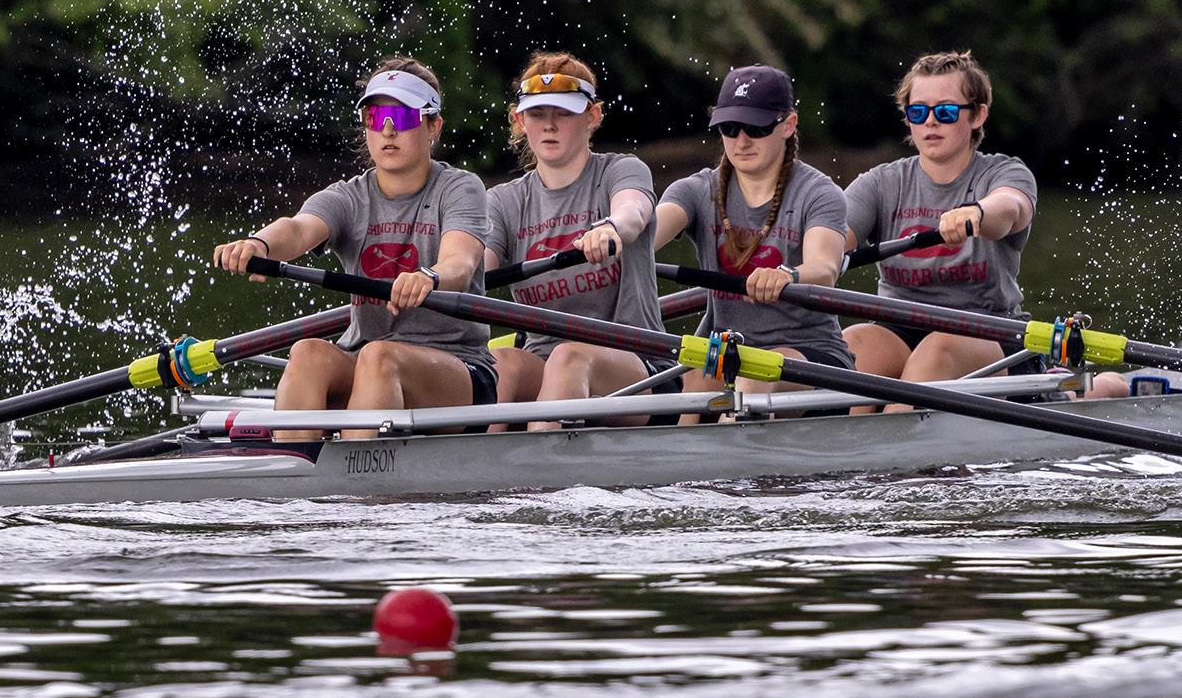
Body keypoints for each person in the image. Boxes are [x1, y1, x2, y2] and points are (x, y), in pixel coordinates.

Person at [212, 57, 494, 442]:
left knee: (380, 357)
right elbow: (297, 229)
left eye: (403, 117)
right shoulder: (349, 197)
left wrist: (429, 277)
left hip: (459, 371)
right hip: (366, 362)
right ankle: (291, 469)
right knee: (309, 353)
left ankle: (355, 476)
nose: (388, 130)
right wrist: (259, 243)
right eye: (375, 118)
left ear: (433, 126)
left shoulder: (460, 188)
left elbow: (459, 263)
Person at [843, 49, 1115, 399]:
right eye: (918, 111)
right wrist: (806, 260)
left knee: (937, 351)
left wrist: (978, 213)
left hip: (990, 335)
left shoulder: (1004, 173)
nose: (930, 122)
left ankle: (1100, 388)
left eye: (945, 111)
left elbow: (1011, 208)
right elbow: (831, 237)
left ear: (977, 115)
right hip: (900, 329)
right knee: (855, 343)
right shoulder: (880, 184)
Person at [653, 65, 852, 418]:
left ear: (788, 125)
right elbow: (645, 235)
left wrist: (788, 275)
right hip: (724, 351)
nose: (741, 141)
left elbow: (824, 268)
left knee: (754, 374)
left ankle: (731, 443)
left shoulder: (819, 193)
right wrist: (615, 237)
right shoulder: (696, 190)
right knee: (694, 388)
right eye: (730, 128)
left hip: (812, 356)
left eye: (756, 128)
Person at [483, 54, 663, 430]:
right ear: (519, 120)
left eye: (564, 113)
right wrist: (439, 275)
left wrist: (611, 228)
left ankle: (536, 460)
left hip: (638, 367)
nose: (549, 125)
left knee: (568, 357)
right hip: (543, 362)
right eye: (537, 114)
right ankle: (471, 464)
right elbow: (476, 264)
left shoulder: (621, 171)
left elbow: (632, 212)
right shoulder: (502, 201)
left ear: (592, 116)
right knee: (501, 363)